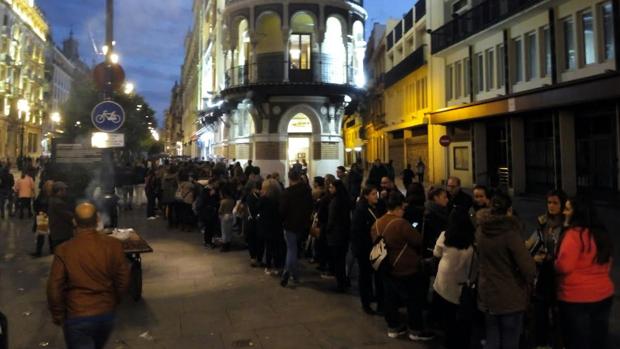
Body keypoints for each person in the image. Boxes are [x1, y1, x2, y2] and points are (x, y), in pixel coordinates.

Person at [47, 202, 130, 349]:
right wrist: (113, 300)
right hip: (105, 314)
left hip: (76, 315)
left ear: (74, 221)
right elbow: (123, 279)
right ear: (98, 220)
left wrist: (58, 314)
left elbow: (55, 286)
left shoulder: (64, 250)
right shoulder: (113, 245)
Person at [371, 191, 433, 341]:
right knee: (413, 299)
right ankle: (415, 330)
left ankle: (393, 327)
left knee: (390, 297)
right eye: (403, 209)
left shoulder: (377, 223)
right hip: (405, 267)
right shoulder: (400, 223)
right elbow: (418, 240)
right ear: (398, 208)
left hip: (385, 266)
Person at [476, 192, 536, 349]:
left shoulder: (481, 230)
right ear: (509, 210)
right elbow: (528, 268)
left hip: (487, 291)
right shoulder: (510, 234)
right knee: (510, 338)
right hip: (509, 295)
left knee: (492, 335)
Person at [555, 197, 614, 349]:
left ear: (577, 213)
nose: (564, 212)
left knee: (577, 341)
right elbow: (608, 263)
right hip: (603, 294)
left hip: (575, 298)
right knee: (598, 339)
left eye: (568, 209)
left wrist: (553, 263)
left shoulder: (574, 236)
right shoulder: (601, 234)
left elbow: (564, 267)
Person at [525, 189, 567, 349]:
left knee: (559, 313)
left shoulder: (566, 225)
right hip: (543, 272)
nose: (551, 206)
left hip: (559, 273)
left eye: (555, 203)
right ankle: (542, 343)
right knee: (540, 311)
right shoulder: (543, 222)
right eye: (549, 202)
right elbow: (534, 241)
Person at [432, 207, 475, 349]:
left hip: (443, 283)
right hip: (462, 285)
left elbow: (436, 254)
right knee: (462, 323)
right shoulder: (472, 242)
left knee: (448, 321)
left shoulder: (445, 236)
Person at [351, 185, 383, 314]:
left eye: (377, 194)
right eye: (373, 194)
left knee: (375, 275)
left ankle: (372, 297)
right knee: (365, 276)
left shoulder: (376, 207)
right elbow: (356, 231)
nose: (376, 196)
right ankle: (366, 303)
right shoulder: (361, 210)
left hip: (375, 247)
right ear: (366, 196)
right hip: (364, 249)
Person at [279, 169, 313, 287]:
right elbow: (310, 206)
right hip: (302, 224)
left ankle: (286, 271)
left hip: (290, 224)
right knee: (295, 249)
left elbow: (282, 211)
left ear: (289, 178)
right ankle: (295, 275)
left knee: (291, 249)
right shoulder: (307, 190)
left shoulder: (287, 193)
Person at [326, 180, 351, 292]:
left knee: (338, 261)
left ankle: (341, 284)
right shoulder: (345, 200)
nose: (330, 189)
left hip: (336, 235)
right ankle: (344, 281)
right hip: (344, 234)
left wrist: (327, 230)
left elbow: (331, 220)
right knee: (342, 259)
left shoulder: (335, 202)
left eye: (331, 187)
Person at [258, 178, 284, 275]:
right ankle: (277, 266)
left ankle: (268, 266)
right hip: (277, 226)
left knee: (269, 247)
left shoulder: (264, 199)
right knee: (277, 247)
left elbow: (258, 209)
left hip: (266, 226)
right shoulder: (279, 199)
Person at [422, 187, 450, 257]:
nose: (447, 200)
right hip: (435, 250)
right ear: (436, 198)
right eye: (444, 197)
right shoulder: (430, 214)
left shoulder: (440, 211)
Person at [48, 182, 75, 251]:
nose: (66, 192)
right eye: (64, 190)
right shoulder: (58, 203)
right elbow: (67, 215)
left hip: (57, 233)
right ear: (59, 191)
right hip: (61, 234)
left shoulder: (52, 199)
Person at [31, 180, 54, 257]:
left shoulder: (42, 194)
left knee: (43, 235)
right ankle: (51, 250)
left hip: (43, 215)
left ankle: (39, 252)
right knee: (48, 235)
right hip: (47, 215)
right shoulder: (52, 195)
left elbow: (36, 204)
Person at [218, 186, 235, 252]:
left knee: (224, 232)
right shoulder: (232, 200)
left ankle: (224, 247)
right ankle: (228, 245)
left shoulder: (223, 201)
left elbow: (220, 210)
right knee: (229, 231)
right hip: (231, 215)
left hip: (224, 216)